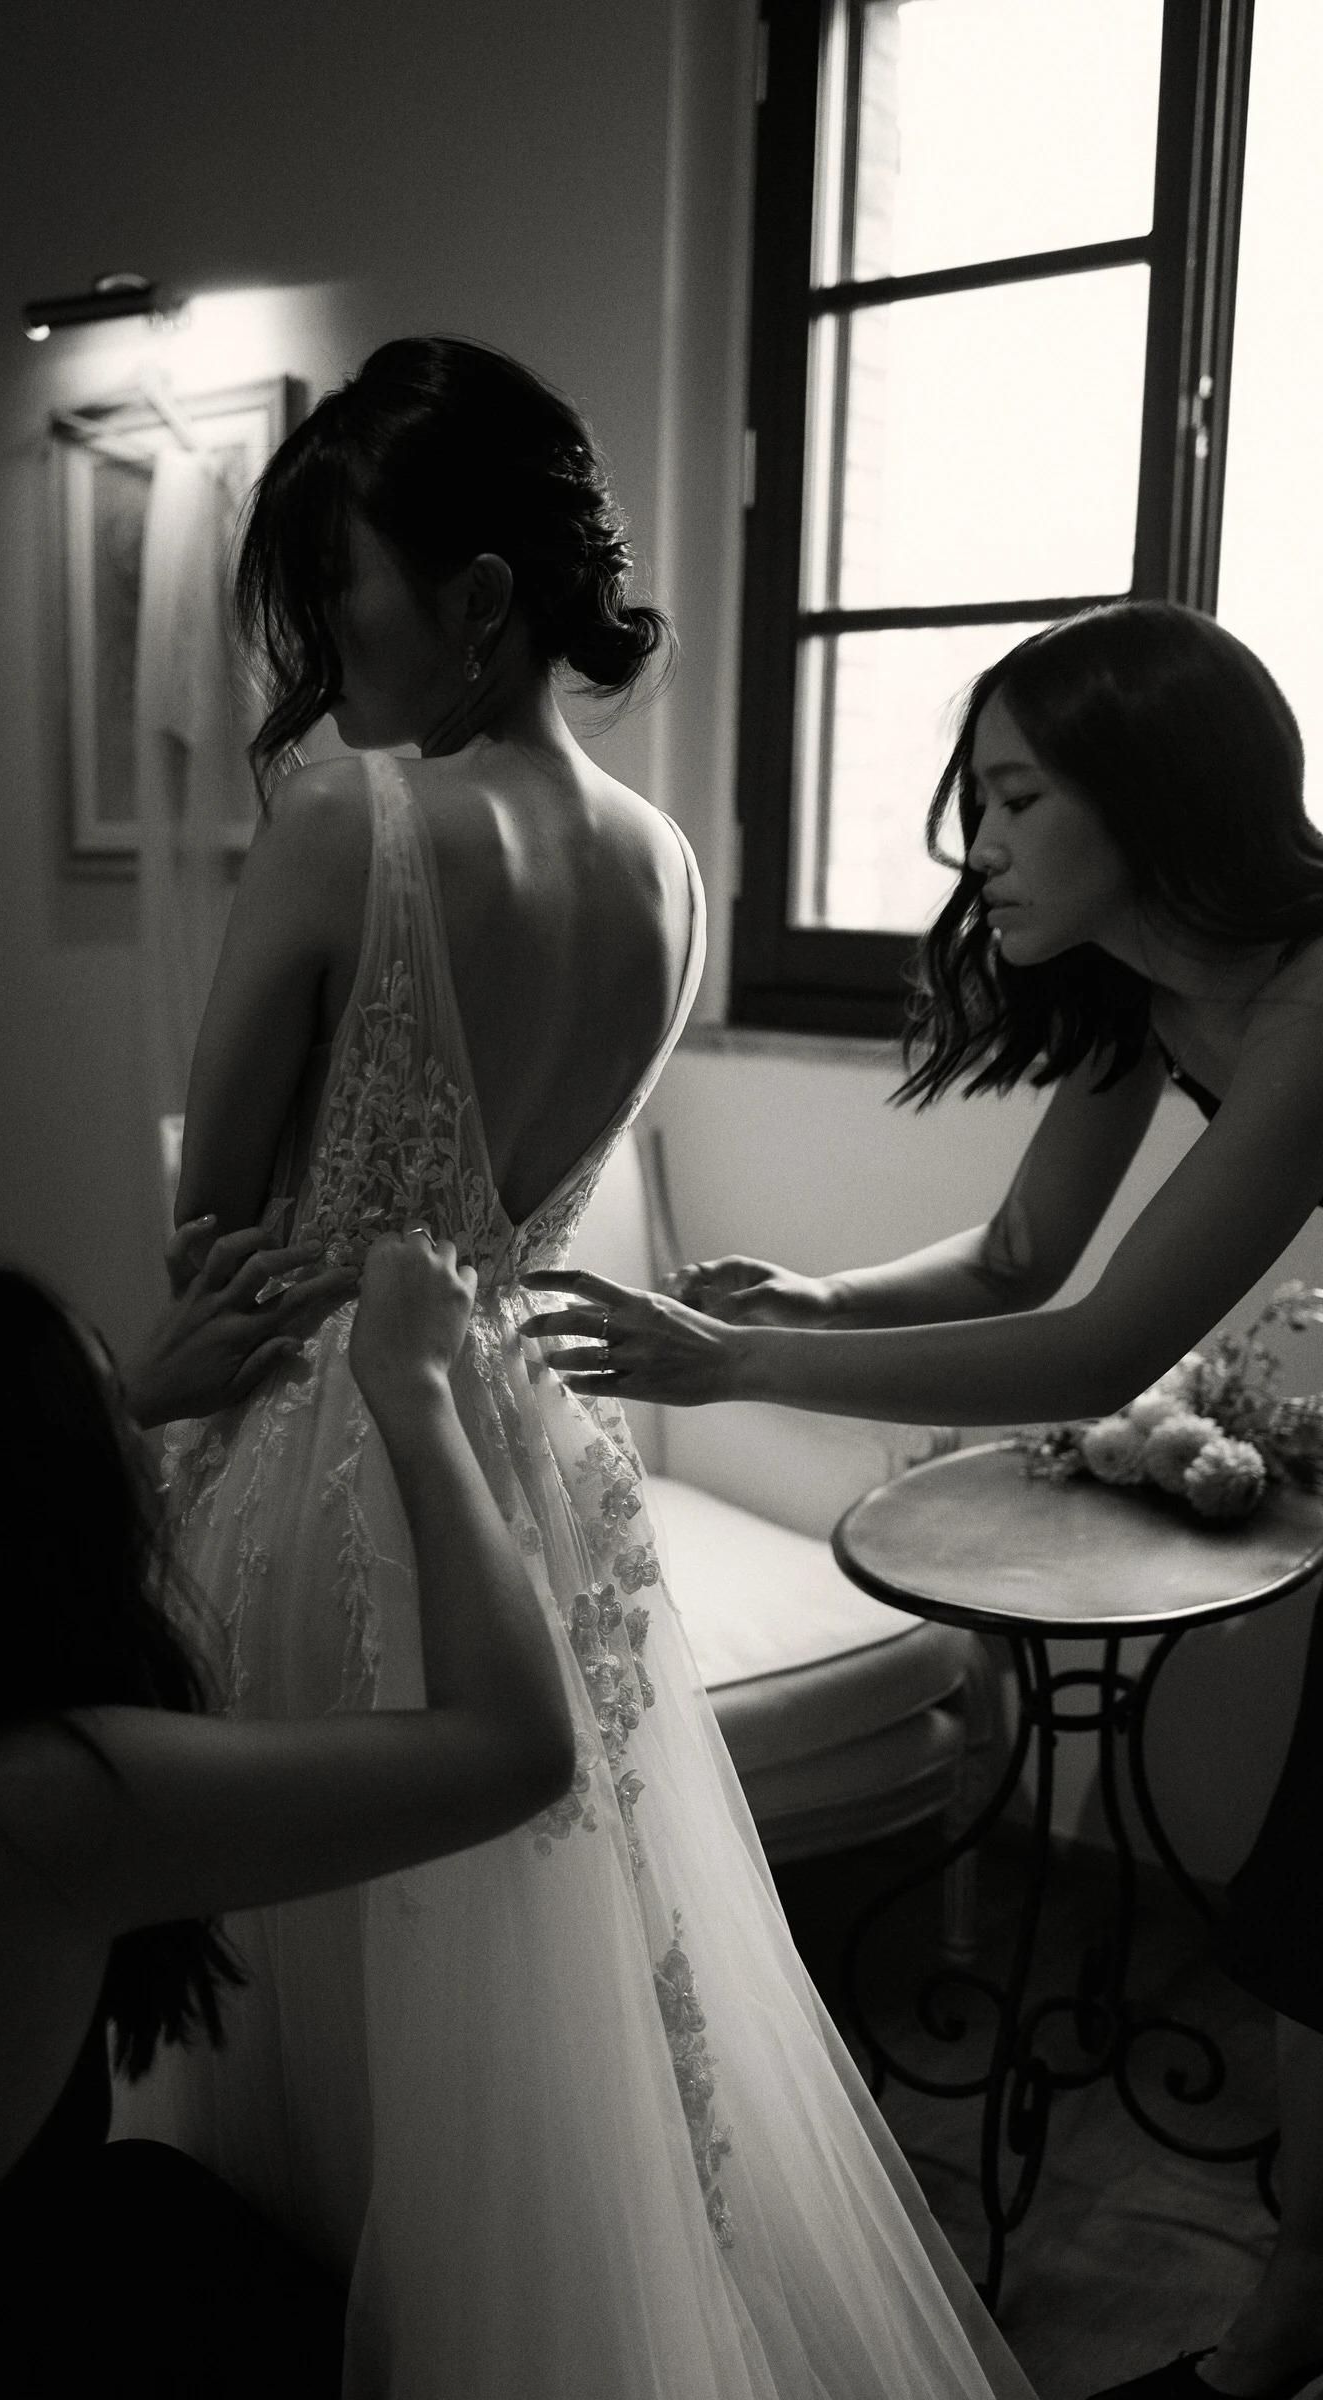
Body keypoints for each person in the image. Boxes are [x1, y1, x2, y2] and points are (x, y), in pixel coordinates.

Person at [114, 332, 1037, 2399]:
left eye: (336, 587)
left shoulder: (345, 824)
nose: (313, 641)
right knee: (543, 2028)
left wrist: (231, 1291)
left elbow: (217, 1241)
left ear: (474, 601)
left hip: (322, 1474)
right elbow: (522, 1199)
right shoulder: (672, 871)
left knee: (299, 2012)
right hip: (531, 1479)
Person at [521, 600, 1323, 2400]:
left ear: (1154, 798)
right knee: (1308, 1941)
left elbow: (1089, 1342)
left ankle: (1271, 2344)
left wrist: (736, 1371)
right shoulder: (1146, 988)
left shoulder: (1313, 999)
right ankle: (1280, 2337)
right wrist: (807, 1303)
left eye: (1023, 798)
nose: (979, 845)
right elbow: (1027, 1249)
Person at [0, 1226, 577, 2394]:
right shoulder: (33, 1805)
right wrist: (414, 1388)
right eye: (108, 1422)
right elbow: (514, 1749)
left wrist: (111, 1399)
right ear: (43, 1511)